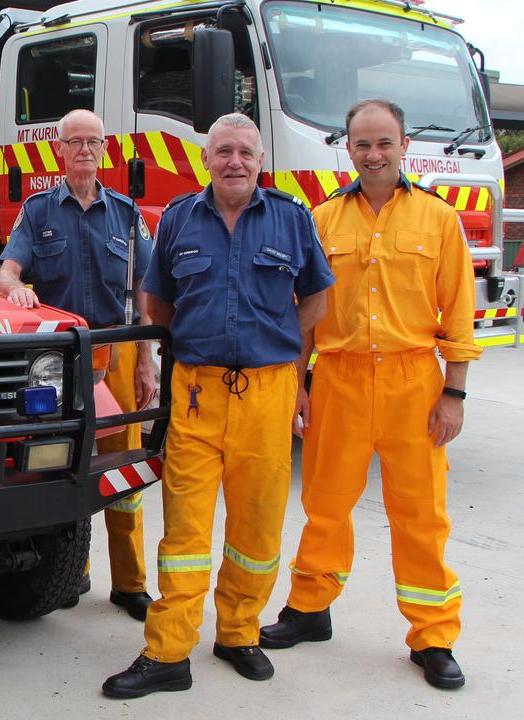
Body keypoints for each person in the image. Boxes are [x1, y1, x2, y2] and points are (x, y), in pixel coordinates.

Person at [102, 113, 333, 698]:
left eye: (246, 153)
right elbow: (156, 302)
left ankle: (238, 632)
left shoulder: (291, 216)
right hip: (199, 392)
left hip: (268, 391)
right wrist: (203, 346)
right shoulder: (180, 218)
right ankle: (168, 652)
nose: (235, 161)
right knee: (185, 529)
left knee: (256, 527)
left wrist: (275, 344)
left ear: (261, 161)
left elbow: (318, 299)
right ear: (206, 159)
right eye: (224, 151)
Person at [260, 100, 480, 690]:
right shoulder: (324, 219)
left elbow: (459, 312)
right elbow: (305, 313)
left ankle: (433, 635)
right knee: (325, 505)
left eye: (384, 143)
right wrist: (299, 383)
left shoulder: (438, 219)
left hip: (414, 382)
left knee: (422, 515)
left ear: (404, 146)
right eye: (362, 144)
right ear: (348, 148)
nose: (373, 154)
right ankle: (309, 610)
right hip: (339, 379)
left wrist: (454, 392)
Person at [0, 108, 157, 620]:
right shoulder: (38, 211)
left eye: (94, 142)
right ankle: (73, 572)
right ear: (60, 150)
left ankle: (130, 584)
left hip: (119, 348)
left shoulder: (127, 215)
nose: (84, 150)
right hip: (63, 358)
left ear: (105, 150)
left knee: (125, 470)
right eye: (75, 142)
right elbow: (6, 272)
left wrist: (147, 361)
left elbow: (144, 290)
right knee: (68, 465)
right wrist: (17, 289)